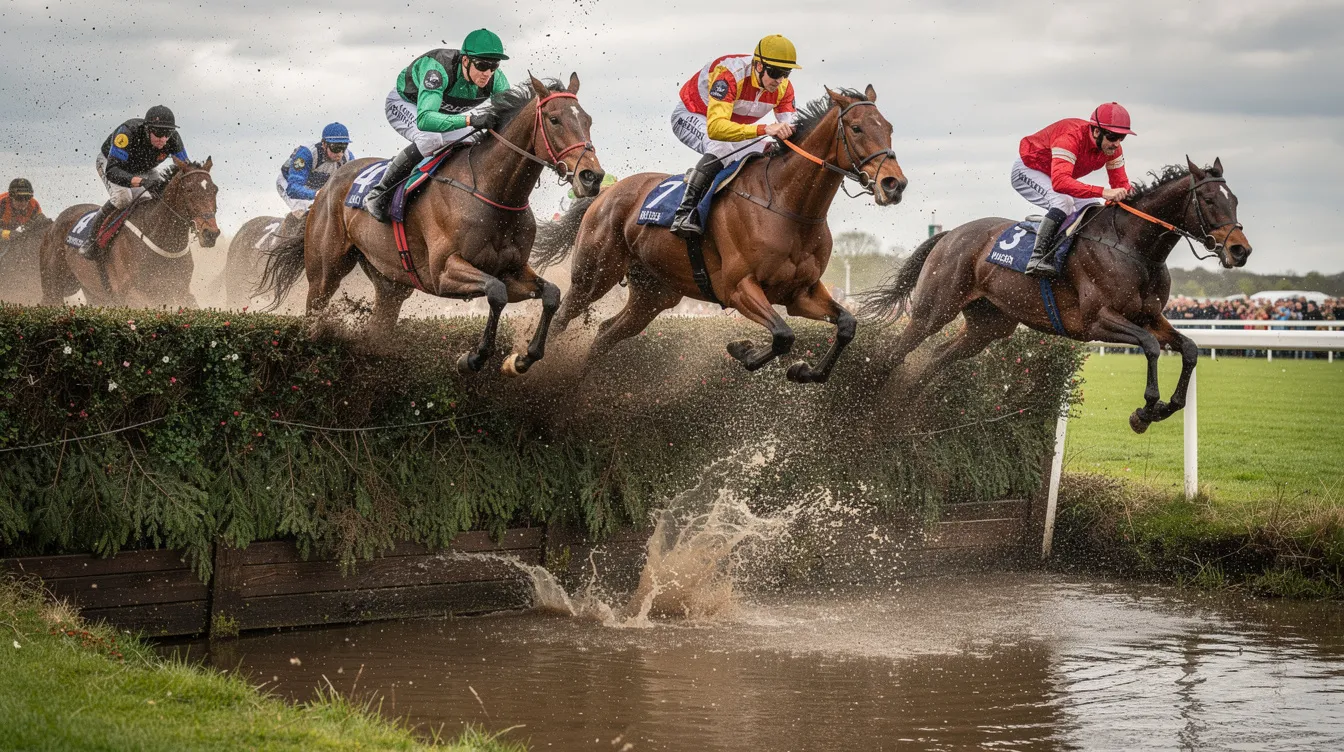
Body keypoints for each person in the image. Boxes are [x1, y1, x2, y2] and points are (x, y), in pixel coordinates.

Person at [364, 29, 511, 222]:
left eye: (493, 66)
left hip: (440, 113)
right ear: (465, 61)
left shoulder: (495, 79)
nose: (487, 73)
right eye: (482, 65)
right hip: (406, 105)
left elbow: (510, 116)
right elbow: (425, 120)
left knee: (476, 139)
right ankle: (379, 194)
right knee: (430, 138)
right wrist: (469, 120)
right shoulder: (437, 69)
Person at [667, 34, 800, 238]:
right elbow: (716, 129)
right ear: (758, 66)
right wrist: (764, 129)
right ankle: (685, 212)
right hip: (692, 115)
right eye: (775, 72)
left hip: (728, 128)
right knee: (721, 148)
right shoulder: (729, 73)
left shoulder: (783, 89)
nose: (779, 80)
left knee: (768, 150)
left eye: (786, 73)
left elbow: (791, 133)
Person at [1012, 102, 1135, 278]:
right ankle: (1037, 258)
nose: (1116, 143)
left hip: (1054, 176)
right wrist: (1103, 191)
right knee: (1063, 202)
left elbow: (1121, 184)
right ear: (1096, 131)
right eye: (1113, 136)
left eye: (1122, 138)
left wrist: (1132, 193)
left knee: (1093, 209)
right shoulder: (1070, 136)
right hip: (1028, 169)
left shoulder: (1112, 149)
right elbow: (1060, 183)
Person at [80, 105, 189, 258]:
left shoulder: (174, 139)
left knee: (160, 197)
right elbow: (112, 171)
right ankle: (91, 240)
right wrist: (141, 182)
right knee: (122, 198)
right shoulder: (127, 132)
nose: (163, 138)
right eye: (159, 133)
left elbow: (186, 169)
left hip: (143, 168)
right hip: (112, 164)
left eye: (168, 133)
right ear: (147, 129)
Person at [276, 123, 354, 216]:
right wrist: (315, 194)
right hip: (289, 184)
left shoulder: (348, 158)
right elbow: (293, 188)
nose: (340, 153)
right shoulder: (307, 153)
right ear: (324, 144)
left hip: (319, 189)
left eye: (343, 147)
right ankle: (292, 229)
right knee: (305, 212)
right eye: (336, 148)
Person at [0, 178, 41, 244]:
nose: (23, 202)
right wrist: (7, 234)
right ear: (11, 196)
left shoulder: (34, 206)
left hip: (18, 237)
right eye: (19, 198)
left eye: (27, 197)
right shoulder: (1, 203)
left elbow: (41, 224)